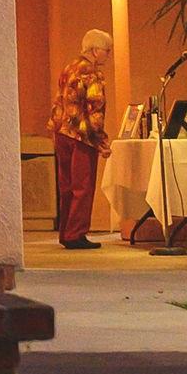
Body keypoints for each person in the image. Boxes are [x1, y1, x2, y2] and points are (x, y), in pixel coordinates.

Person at [51, 28, 111, 251]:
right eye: (107, 50)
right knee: (83, 187)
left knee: (66, 186)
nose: (108, 55)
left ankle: (66, 233)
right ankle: (76, 233)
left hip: (61, 131)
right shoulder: (92, 73)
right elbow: (95, 108)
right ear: (95, 51)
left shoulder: (69, 68)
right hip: (82, 136)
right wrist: (101, 141)